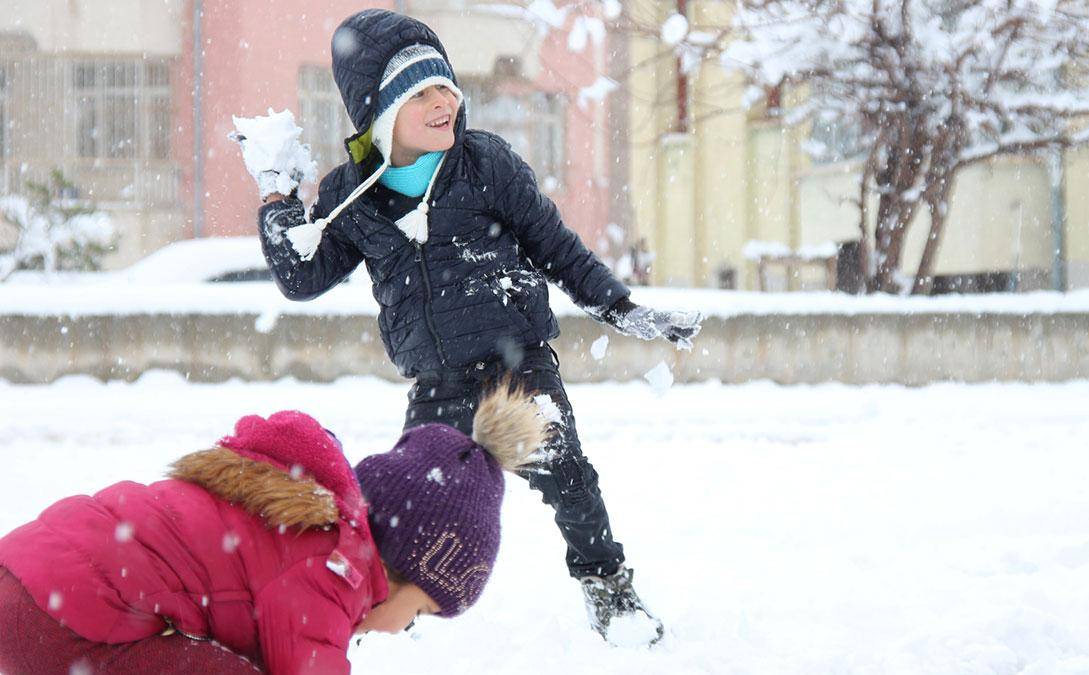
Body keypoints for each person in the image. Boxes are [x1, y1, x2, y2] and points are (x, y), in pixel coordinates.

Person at [246, 9, 701, 645]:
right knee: (402, 509)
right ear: (379, 113)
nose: (444, 103)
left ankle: (609, 590)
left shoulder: (485, 164)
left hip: (518, 367)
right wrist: (276, 198)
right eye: (421, 93)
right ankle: (381, 608)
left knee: (570, 482)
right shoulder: (351, 195)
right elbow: (301, 277)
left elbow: (555, 246)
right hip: (437, 381)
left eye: (446, 87)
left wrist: (621, 308)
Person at [0, 385, 546, 674]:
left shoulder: (308, 528)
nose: (404, 629)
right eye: (423, 611)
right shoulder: (332, 570)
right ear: (399, 563)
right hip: (56, 623)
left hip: (28, 581)